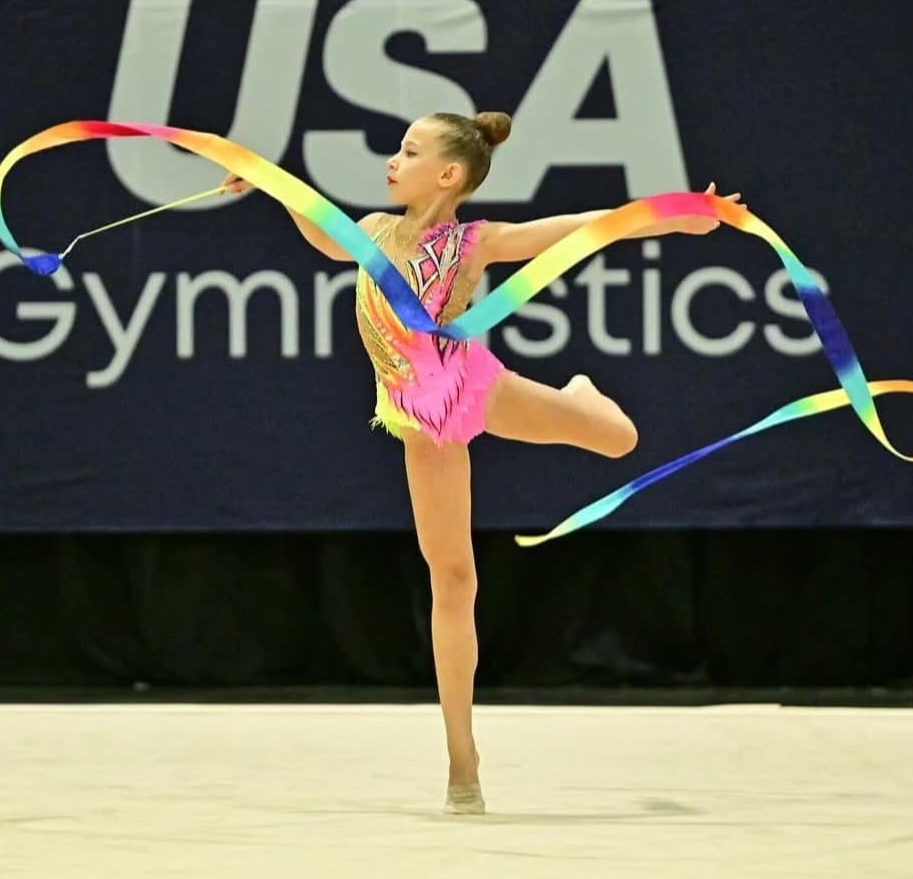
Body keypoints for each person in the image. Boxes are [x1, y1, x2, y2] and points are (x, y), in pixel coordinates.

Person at [222, 111, 742, 814]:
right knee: (453, 579)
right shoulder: (373, 233)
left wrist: (681, 215)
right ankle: (461, 758)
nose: (392, 160)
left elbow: (584, 228)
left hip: (475, 386)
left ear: (448, 174)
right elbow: (320, 228)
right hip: (421, 423)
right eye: (398, 149)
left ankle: (579, 394)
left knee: (619, 439)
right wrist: (264, 179)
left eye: (409, 151)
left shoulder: (476, 243)